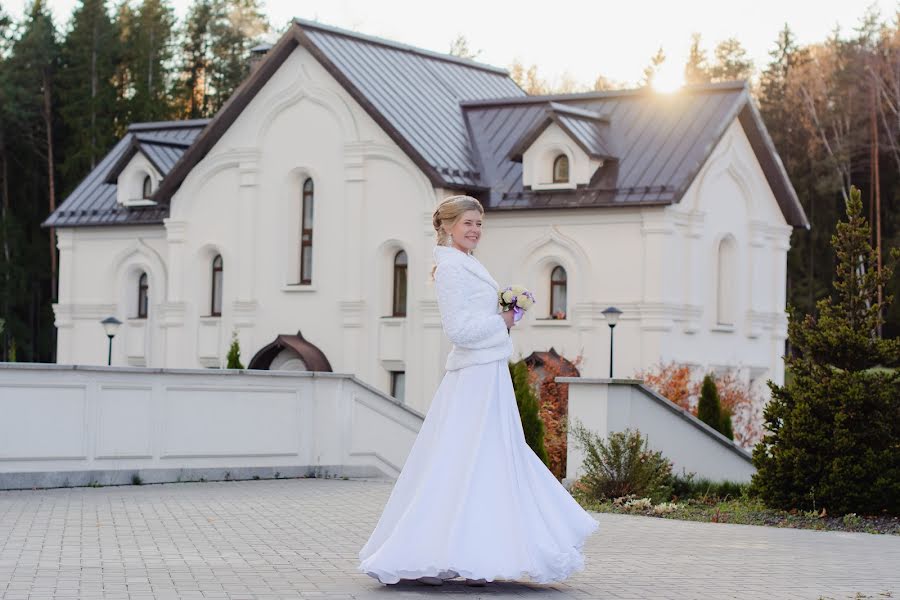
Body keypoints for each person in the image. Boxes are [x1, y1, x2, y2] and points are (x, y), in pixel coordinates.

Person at [357, 194, 599, 587]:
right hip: (474, 376)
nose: (475, 230)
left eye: (479, 224)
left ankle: (471, 551)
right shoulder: (450, 269)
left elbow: (478, 322)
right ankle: (460, 553)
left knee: (489, 458)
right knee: (470, 458)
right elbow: (460, 331)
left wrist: (506, 316)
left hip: (488, 373)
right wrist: (502, 318)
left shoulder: (468, 264)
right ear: (449, 226)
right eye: (468, 223)